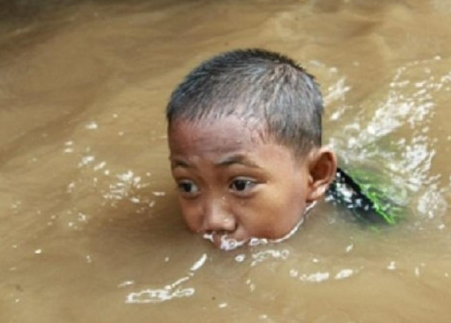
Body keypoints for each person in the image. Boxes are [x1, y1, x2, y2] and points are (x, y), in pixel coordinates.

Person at [166, 49, 397, 251]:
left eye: (240, 185)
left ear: (316, 175)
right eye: (188, 186)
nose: (214, 221)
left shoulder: (375, 227)